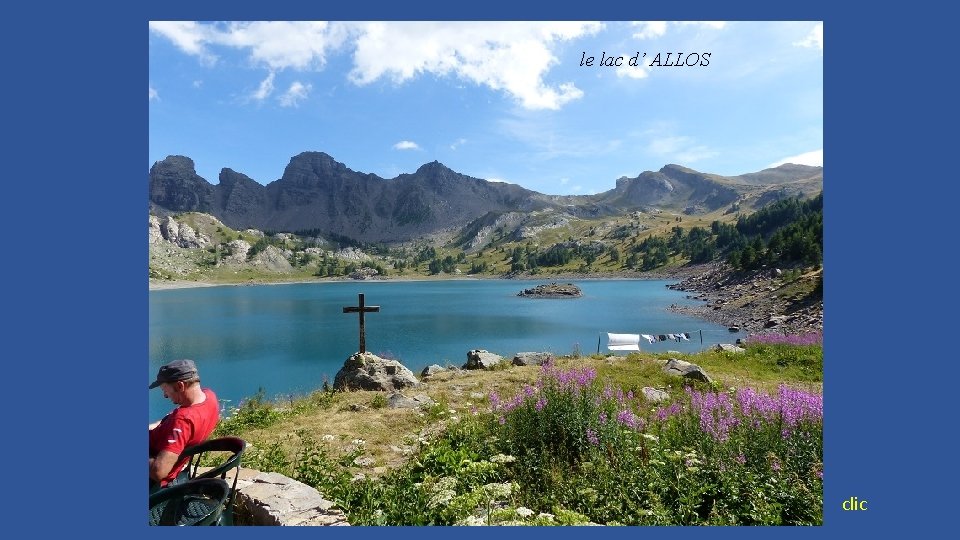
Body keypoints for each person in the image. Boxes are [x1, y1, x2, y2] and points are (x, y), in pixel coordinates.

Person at [148, 359, 219, 490]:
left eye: (165, 389)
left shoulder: (183, 421)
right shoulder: (209, 397)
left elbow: (158, 472)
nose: (165, 395)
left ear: (180, 386)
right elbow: (167, 421)